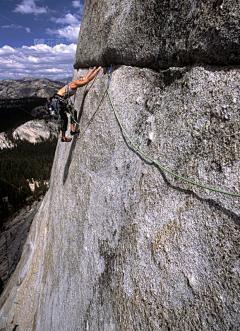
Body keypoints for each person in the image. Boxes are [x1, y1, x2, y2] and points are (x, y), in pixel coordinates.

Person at [52, 66, 101, 142]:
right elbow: (87, 80)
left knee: (73, 112)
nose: (81, 83)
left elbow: (85, 77)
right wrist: (98, 70)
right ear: (79, 81)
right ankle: (63, 138)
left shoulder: (77, 82)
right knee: (64, 119)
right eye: (81, 81)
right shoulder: (74, 84)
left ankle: (72, 130)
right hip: (58, 101)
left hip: (60, 101)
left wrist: (93, 69)